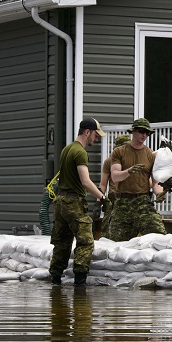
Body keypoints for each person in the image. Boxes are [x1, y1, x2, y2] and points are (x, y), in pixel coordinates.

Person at [49, 117, 107, 286]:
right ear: (87, 132)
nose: (96, 139)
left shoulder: (66, 149)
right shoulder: (80, 152)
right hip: (73, 202)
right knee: (86, 241)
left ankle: (55, 279)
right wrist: (103, 198)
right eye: (95, 135)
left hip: (60, 202)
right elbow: (85, 182)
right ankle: (80, 284)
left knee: (62, 242)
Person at [108, 118, 167, 241]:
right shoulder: (119, 152)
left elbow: (155, 182)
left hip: (142, 201)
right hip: (123, 202)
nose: (144, 135)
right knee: (117, 241)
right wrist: (129, 171)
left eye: (147, 133)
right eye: (141, 131)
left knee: (159, 235)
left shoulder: (150, 155)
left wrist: (159, 193)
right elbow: (115, 176)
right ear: (133, 132)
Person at [96, 134, 131, 236]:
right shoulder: (109, 161)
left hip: (129, 198)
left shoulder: (132, 160)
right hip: (113, 198)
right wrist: (98, 202)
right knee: (107, 230)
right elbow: (103, 184)